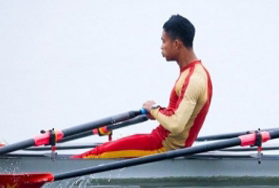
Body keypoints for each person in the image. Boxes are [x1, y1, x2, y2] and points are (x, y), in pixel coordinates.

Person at [73, 14, 213, 159]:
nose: (161, 47)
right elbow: (180, 116)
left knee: (97, 154)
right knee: (104, 148)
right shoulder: (198, 72)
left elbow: (176, 125)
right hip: (162, 141)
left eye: (163, 41)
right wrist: (158, 113)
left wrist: (154, 109)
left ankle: (57, 172)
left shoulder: (193, 79)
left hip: (162, 147)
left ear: (176, 44)